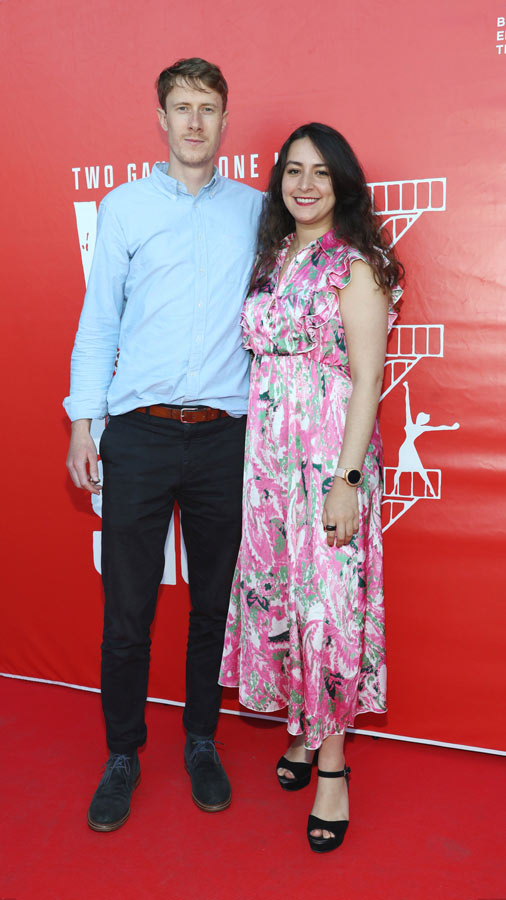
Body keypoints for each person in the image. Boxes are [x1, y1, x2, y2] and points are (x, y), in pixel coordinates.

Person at [64, 57, 262, 831]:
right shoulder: (123, 208)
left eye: (207, 107)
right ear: (161, 118)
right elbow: (99, 323)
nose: (194, 122)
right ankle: (123, 753)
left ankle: (202, 739)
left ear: (224, 119)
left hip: (224, 438)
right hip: (138, 436)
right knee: (127, 610)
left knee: (214, 604)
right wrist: (83, 422)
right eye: (182, 107)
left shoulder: (255, 211)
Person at [219, 123, 403, 852]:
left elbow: (367, 379)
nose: (305, 184)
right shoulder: (271, 259)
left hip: (329, 458)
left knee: (328, 607)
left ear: (342, 184)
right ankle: (302, 729)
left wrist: (346, 480)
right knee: (283, 597)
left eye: (321, 172)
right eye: (293, 171)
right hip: (267, 463)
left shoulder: (356, 266)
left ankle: (332, 768)